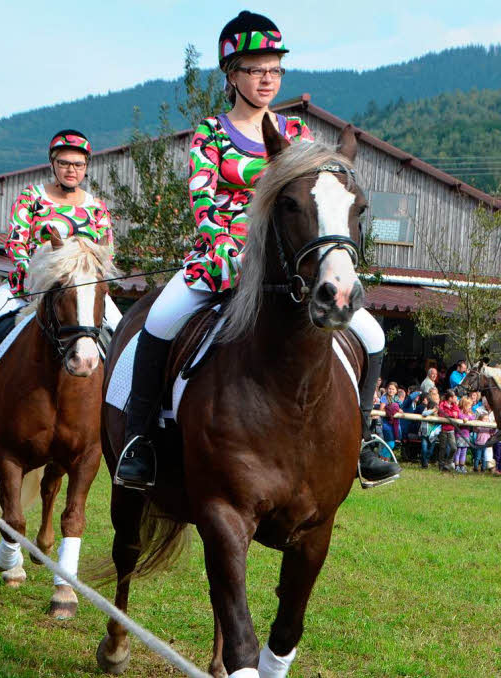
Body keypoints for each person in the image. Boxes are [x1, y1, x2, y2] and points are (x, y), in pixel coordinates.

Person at [114, 11, 399, 489]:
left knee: (372, 336)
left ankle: (366, 438)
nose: (267, 79)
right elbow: (202, 201)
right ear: (232, 74)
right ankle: (139, 441)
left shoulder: (299, 138)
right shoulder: (211, 133)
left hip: (287, 266)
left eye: (275, 69)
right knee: (159, 321)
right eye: (256, 69)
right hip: (221, 259)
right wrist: (227, 246)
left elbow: (314, 205)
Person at [0, 131, 120, 429]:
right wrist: (33, 274)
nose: (72, 170)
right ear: (53, 164)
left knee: (123, 336)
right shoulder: (32, 197)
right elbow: (15, 242)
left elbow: (105, 250)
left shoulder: (97, 207)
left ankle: (121, 418)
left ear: (86, 167)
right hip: (28, 287)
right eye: (65, 163)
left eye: (79, 164)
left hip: (82, 292)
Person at [437, 390, 462, 472]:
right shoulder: (442, 404)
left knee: (454, 448)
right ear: (450, 398)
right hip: (443, 429)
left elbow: (457, 413)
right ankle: (441, 465)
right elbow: (442, 413)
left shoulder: (454, 405)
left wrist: (452, 414)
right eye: (454, 396)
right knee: (442, 448)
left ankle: (448, 463)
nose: (455, 398)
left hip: (451, 429)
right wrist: (452, 414)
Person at [418, 388, 439, 469]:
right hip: (424, 432)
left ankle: (425, 460)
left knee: (430, 450)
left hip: (433, 434)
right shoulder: (427, 407)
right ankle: (424, 463)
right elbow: (424, 413)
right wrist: (433, 410)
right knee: (424, 449)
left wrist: (436, 411)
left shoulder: (438, 410)